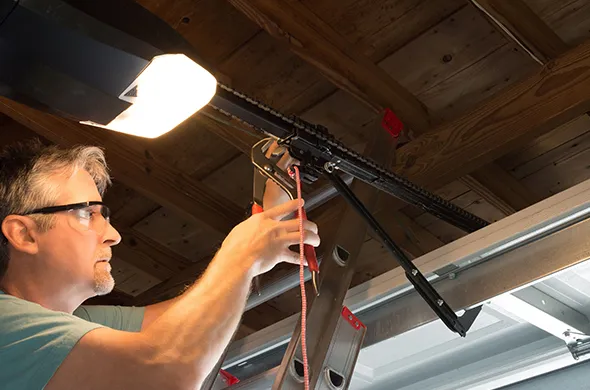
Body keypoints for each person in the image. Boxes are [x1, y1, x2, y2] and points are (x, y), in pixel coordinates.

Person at [0, 139, 320, 390]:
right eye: (87, 214)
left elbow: (190, 318)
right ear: (24, 234)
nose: (113, 235)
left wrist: (266, 218)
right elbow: (166, 369)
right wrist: (241, 256)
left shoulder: (78, 321)